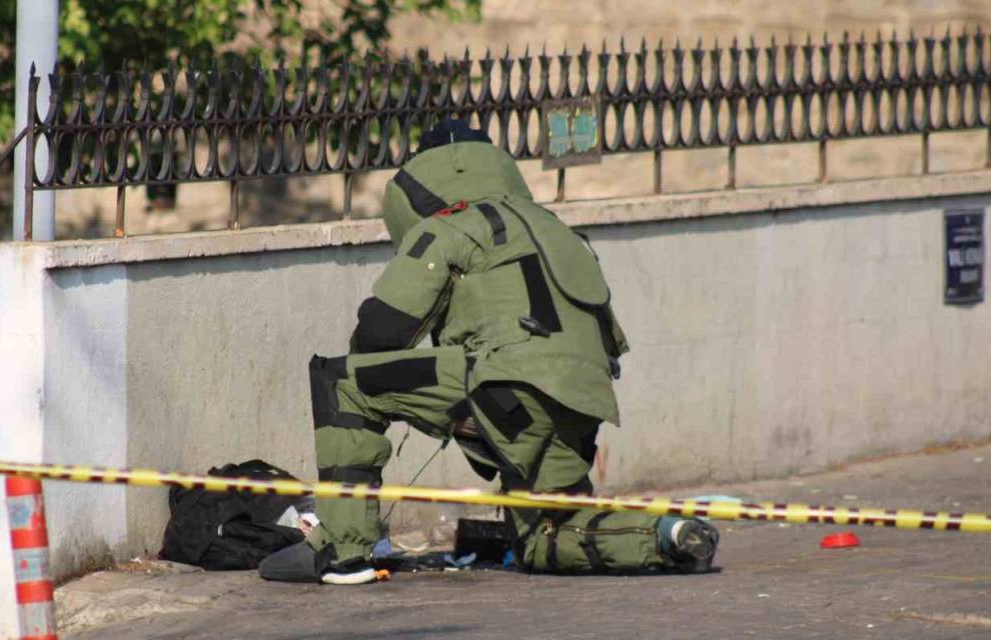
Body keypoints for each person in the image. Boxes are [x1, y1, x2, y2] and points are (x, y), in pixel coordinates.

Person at [259, 119, 718, 585]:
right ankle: (666, 535)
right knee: (542, 538)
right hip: (579, 408)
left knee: (344, 383)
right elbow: (608, 343)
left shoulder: (451, 225)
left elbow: (380, 335)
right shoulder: (559, 231)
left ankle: (342, 550)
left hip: (504, 390)